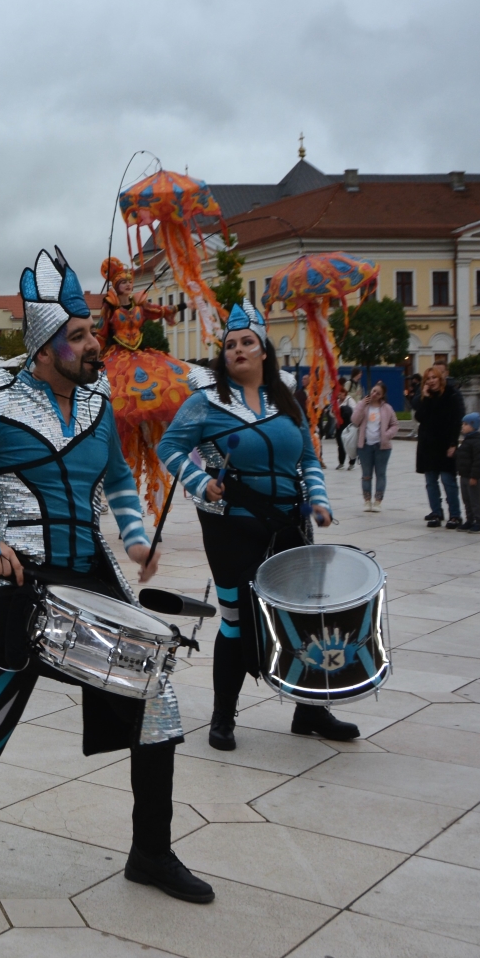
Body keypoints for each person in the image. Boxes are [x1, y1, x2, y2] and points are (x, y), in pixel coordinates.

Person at [0, 247, 212, 908]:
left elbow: (118, 479)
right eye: (80, 335)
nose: (94, 343)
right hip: (20, 580)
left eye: (92, 329)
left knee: (156, 703)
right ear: (43, 349)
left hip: (91, 574)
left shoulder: (97, 405)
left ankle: (151, 852)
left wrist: (138, 536)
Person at [157, 299, 352, 752]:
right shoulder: (203, 403)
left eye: (247, 342)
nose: (238, 349)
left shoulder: (287, 400)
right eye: (230, 344)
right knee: (234, 620)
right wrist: (200, 481)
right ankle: (224, 715)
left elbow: (307, 457)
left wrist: (319, 501)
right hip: (231, 526)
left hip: (290, 525)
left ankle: (310, 709)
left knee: (308, 618)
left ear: (264, 349)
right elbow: (168, 449)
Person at [413, 364, 465, 529]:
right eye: (428, 379)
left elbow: (457, 420)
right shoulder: (426, 396)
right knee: (430, 481)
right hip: (428, 444)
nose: (431, 381)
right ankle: (436, 512)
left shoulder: (451, 394)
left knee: (448, 480)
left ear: (440, 378)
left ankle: (455, 515)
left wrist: (453, 443)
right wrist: (426, 398)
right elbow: (419, 416)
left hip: (445, 443)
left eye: (434, 377)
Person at [354, 382, 398, 510]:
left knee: (381, 474)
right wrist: (362, 404)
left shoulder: (387, 408)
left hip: (382, 446)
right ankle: (367, 501)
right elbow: (354, 421)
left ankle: (378, 501)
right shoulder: (364, 406)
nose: (374, 394)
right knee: (366, 474)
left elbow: (395, 424)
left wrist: (387, 435)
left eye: (378, 393)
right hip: (365, 445)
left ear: (382, 396)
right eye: (373, 391)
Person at [456, 411, 480, 534]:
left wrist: (475, 476)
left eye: (465, 424)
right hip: (464, 475)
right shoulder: (467, 440)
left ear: (473, 425)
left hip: (472, 476)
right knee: (466, 499)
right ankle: (470, 519)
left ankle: (479, 522)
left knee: (474, 499)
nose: (462, 426)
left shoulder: (477, 442)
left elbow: (478, 461)